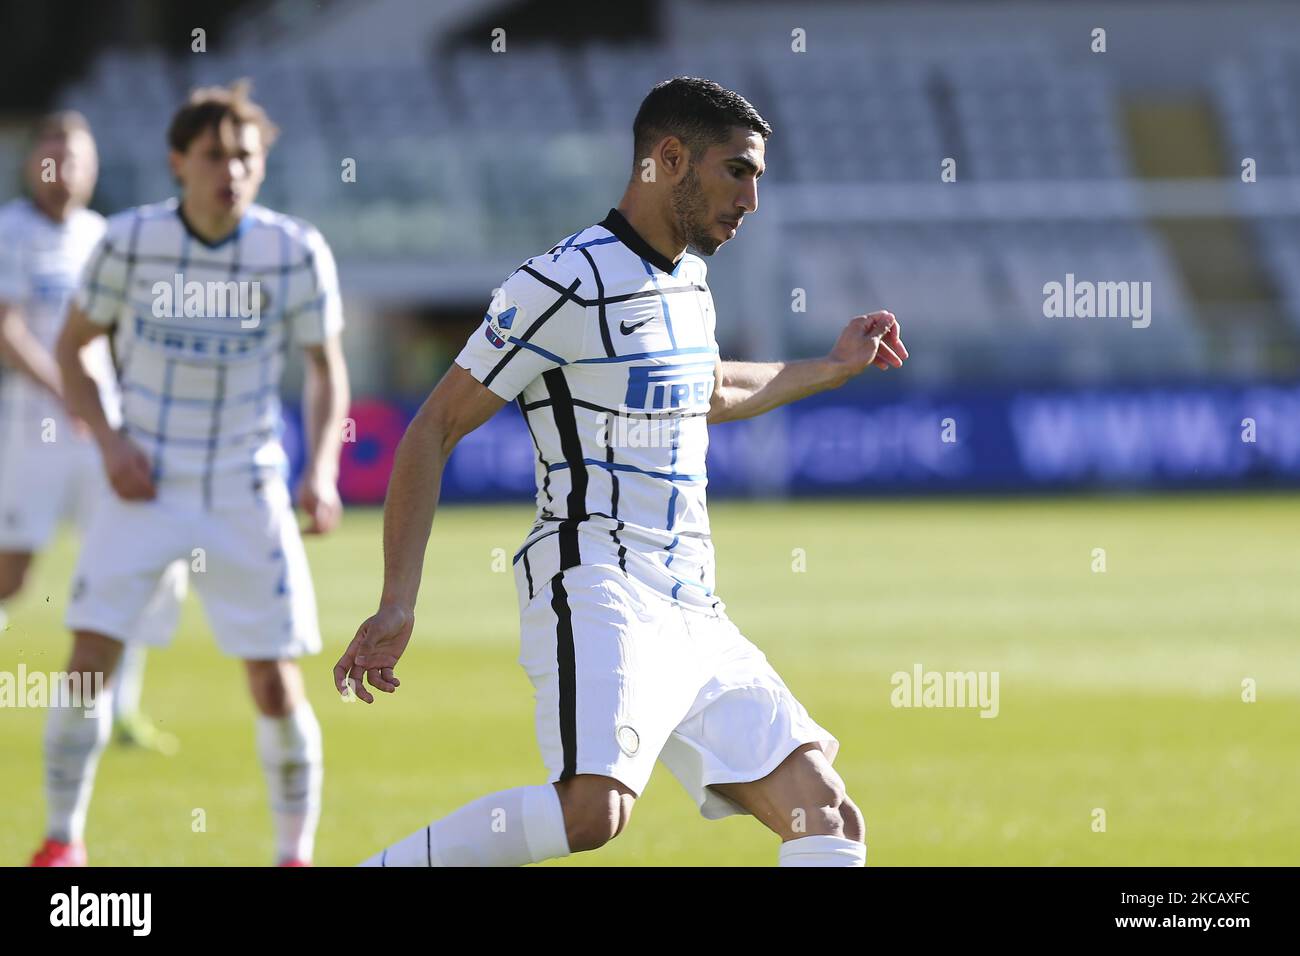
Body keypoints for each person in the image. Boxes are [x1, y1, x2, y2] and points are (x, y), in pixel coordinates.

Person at [337, 76, 907, 867]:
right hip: (596, 577)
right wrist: (397, 601)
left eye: (758, 177)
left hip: (693, 600)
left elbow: (707, 389)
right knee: (592, 813)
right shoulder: (563, 281)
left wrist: (830, 367)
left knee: (828, 819)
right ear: (669, 159)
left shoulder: (691, 282)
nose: (751, 199)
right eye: (737, 171)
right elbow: (432, 427)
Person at [30, 81, 350, 867]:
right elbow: (72, 348)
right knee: (86, 665)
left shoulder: (294, 249)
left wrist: (324, 470)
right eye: (214, 156)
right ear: (179, 161)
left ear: (262, 166)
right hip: (144, 481)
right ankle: (63, 841)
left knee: (275, 685)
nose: (230, 171)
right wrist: (109, 442)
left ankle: (292, 854)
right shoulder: (131, 241)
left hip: (246, 487)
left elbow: (325, 369)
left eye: (245, 157)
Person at [0, 111, 185, 763]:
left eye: (74, 157)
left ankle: (120, 709)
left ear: (92, 167)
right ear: (33, 165)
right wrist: (63, 387)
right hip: (31, 433)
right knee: (12, 574)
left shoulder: (102, 237)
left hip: (101, 431)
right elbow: (7, 328)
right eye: (51, 156)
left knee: (123, 563)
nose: (63, 169)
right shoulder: (10, 230)